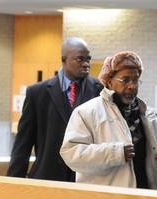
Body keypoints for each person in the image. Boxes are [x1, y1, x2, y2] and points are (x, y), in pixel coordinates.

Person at [60, 51, 157, 190]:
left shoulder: (149, 115)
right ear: (109, 82)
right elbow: (71, 154)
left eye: (135, 80)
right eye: (125, 80)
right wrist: (115, 153)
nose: (132, 86)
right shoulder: (87, 113)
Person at [7, 37, 103, 181]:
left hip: (87, 179)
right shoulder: (37, 93)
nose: (86, 64)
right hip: (47, 176)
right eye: (80, 59)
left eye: (88, 59)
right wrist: (13, 182)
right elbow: (23, 143)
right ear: (64, 60)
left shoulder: (100, 91)